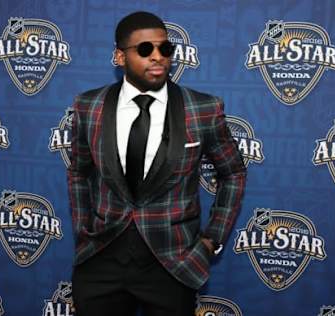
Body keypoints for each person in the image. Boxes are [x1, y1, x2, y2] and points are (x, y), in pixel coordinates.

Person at [67, 11, 247, 316]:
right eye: (145, 49)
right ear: (119, 57)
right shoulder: (89, 106)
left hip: (173, 263)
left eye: (165, 49)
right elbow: (79, 172)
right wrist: (84, 228)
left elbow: (233, 172)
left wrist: (211, 239)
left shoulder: (202, 108)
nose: (158, 57)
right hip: (101, 259)